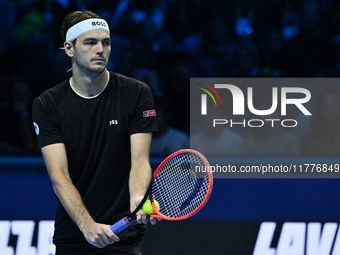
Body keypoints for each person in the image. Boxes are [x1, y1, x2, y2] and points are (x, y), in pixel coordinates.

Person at [31, 10, 158, 255]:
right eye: (90, 42)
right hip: (74, 235)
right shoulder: (47, 104)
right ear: (69, 48)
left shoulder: (137, 93)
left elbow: (139, 160)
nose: (100, 49)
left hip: (123, 238)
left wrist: (138, 198)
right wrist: (87, 226)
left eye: (106, 42)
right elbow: (60, 177)